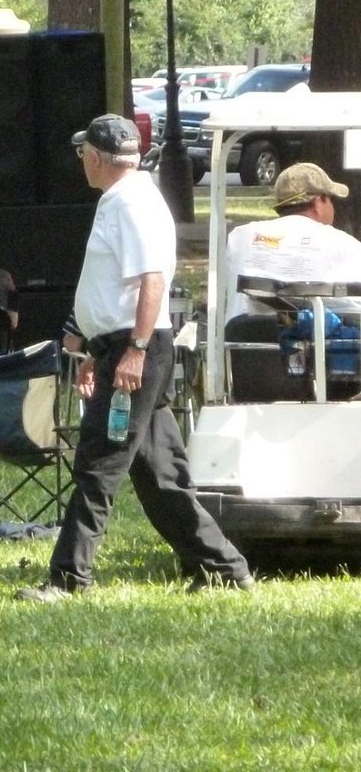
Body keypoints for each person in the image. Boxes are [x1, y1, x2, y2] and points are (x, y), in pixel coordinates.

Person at [17, 114, 253, 602]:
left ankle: (68, 579)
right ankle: (223, 569)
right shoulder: (122, 199)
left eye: (84, 152)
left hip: (137, 348)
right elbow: (114, 288)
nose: (81, 159)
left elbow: (152, 281)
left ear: (99, 157)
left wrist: (134, 351)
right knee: (162, 477)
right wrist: (95, 349)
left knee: (98, 463)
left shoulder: (132, 203)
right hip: (121, 345)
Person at [225, 162, 361, 319]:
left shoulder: (240, 237)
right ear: (319, 201)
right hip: (318, 340)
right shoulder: (346, 245)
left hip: (243, 337)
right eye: (331, 200)